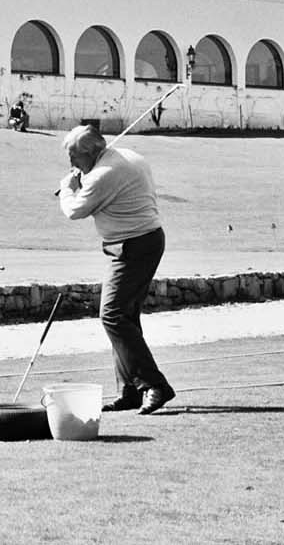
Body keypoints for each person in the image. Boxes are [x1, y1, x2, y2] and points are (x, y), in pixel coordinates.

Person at [57, 124, 175, 415]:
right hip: (142, 240)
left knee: (112, 315)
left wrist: (67, 189)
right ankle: (130, 391)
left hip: (133, 246)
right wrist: (82, 178)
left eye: (74, 157)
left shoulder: (103, 174)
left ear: (93, 152)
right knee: (125, 318)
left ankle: (154, 385)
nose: (71, 163)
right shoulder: (127, 156)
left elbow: (74, 211)